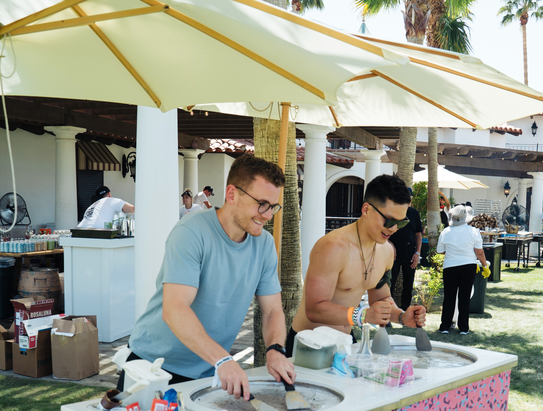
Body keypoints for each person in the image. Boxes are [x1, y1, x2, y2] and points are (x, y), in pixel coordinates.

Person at [125, 155, 295, 398]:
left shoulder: (265, 244)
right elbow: (175, 309)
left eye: (273, 206)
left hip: (208, 371)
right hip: (153, 368)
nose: (268, 215)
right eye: (262, 204)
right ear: (232, 194)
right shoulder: (191, 231)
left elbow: (272, 310)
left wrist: (276, 349)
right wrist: (223, 360)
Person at [287, 174, 426, 354]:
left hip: (346, 343)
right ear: (366, 209)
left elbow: (382, 299)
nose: (393, 228)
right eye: (389, 220)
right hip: (309, 345)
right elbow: (314, 309)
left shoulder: (386, 251)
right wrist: (363, 315)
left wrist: (401, 316)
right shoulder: (333, 247)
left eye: (401, 222)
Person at [437, 205, 487, 336]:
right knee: (465, 297)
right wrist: (485, 266)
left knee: (449, 296)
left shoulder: (446, 231)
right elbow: (479, 252)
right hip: (468, 266)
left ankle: (445, 326)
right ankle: (463, 328)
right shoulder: (473, 231)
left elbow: (440, 251)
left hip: (450, 266)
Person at [389, 187, 423, 311]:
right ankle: (389, 310)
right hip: (393, 255)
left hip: (410, 254)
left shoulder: (414, 213)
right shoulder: (391, 212)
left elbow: (418, 234)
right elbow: (384, 231)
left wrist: (417, 253)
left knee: (408, 285)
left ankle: (404, 311)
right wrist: (390, 246)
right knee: (389, 284)